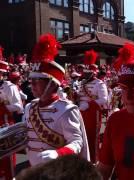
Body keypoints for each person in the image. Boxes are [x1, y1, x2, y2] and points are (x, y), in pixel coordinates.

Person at [24, 34, 90, 166]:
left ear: (52, 83)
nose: (32, 85)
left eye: (37, 81)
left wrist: (59, 153)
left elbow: (77, 142)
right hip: (33, 169)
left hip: (57, 170)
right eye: (31, 81)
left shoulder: (66, 110)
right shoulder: (29, 107)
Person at [78, 50, 108, 163]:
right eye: (84, 74)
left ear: (93, 73)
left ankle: (94, 159)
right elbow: (81, 96)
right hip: (82, 111)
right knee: (82, 135)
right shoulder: (83, 83)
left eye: (87, 74)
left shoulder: (99, 84)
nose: (84, 76)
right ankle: (84, 157)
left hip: (93, 112)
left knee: (92, 136)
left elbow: (104, 99)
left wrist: (89, 104)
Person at [0, 60, 24, 179]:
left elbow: (19, 107)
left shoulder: (9, 87)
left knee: (6, 159)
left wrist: (3, 108)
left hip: (5, 125)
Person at [15, 155, 102, 180]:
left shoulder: (66, 110)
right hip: (36, 167)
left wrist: (58, 152)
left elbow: (76, 140)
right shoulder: (29, 110)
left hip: (61, 166)